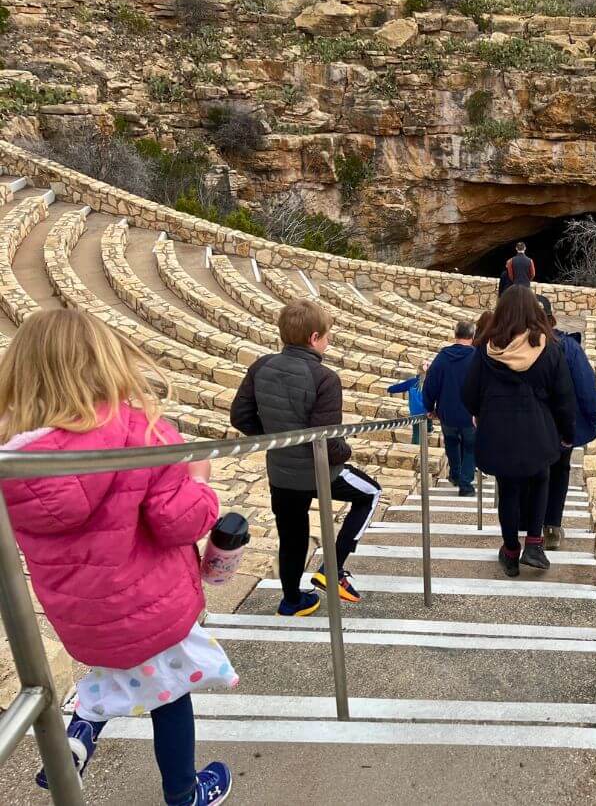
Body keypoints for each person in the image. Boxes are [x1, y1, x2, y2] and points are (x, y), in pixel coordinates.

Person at [0, 310, 234, 804]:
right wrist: (200, 483)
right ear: (107, 364)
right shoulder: (141, 432)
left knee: (115, 666)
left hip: (82, 615)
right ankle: (184, 792)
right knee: (169, 696)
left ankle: (76, 735)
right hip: (149, 604)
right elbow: (180, 522)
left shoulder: (13, 456)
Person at [231, 299, 382, 612]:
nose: (328, 341)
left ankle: (292, 601)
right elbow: (325, 439)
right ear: (314, 338)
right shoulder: (324, 378)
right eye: (326, 335)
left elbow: (240, 417)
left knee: (292, 534)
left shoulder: (261, 366)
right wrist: (347, 450)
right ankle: (332, 569)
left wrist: (276, 439)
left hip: (282, 472)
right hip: (320, 472)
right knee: (370, 494)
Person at [462, 286, 575, 577]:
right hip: (539, 431)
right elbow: (563, 396)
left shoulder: (487, 350)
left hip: (499, 433)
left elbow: (469, 393)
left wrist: (481, 412)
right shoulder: (549, 348)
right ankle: (534, 544)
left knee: (508, 490)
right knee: (541, 480)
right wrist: (567, 432)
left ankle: (511, 551)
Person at [539, 301, 596, 550]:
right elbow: (587, 390)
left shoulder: (510, 346)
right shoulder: (568, 348)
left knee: (533, 472)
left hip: (527, 425)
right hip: (562, 426)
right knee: (559, 471)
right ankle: (551, 526)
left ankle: (528, 524)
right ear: (551, 319)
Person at [423, 320, 477, 497]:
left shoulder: (443, 357)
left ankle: (455, 474)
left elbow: (431, 384)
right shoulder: (477, 358)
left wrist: (429, 407)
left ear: (455, 334)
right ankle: (466, 484)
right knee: (470, 447)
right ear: (472, 335)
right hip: (471, 414)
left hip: (447, 412)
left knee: (452, 443)